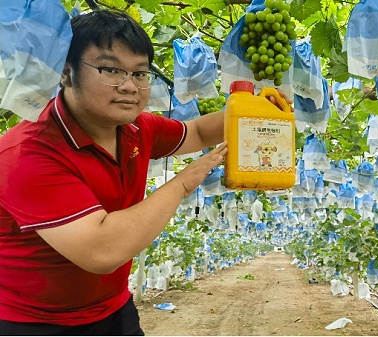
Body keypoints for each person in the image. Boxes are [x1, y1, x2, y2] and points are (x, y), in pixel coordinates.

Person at [0, 9, 291, 335]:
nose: (129, 86)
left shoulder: (136, 128)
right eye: (110, 69)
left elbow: (194, 132)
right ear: (66, 73)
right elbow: (102, 249)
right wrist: (182, 184)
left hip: (114, 308)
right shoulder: (25, 154)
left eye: (140, 74)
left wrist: (250, 112)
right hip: (35, 323)